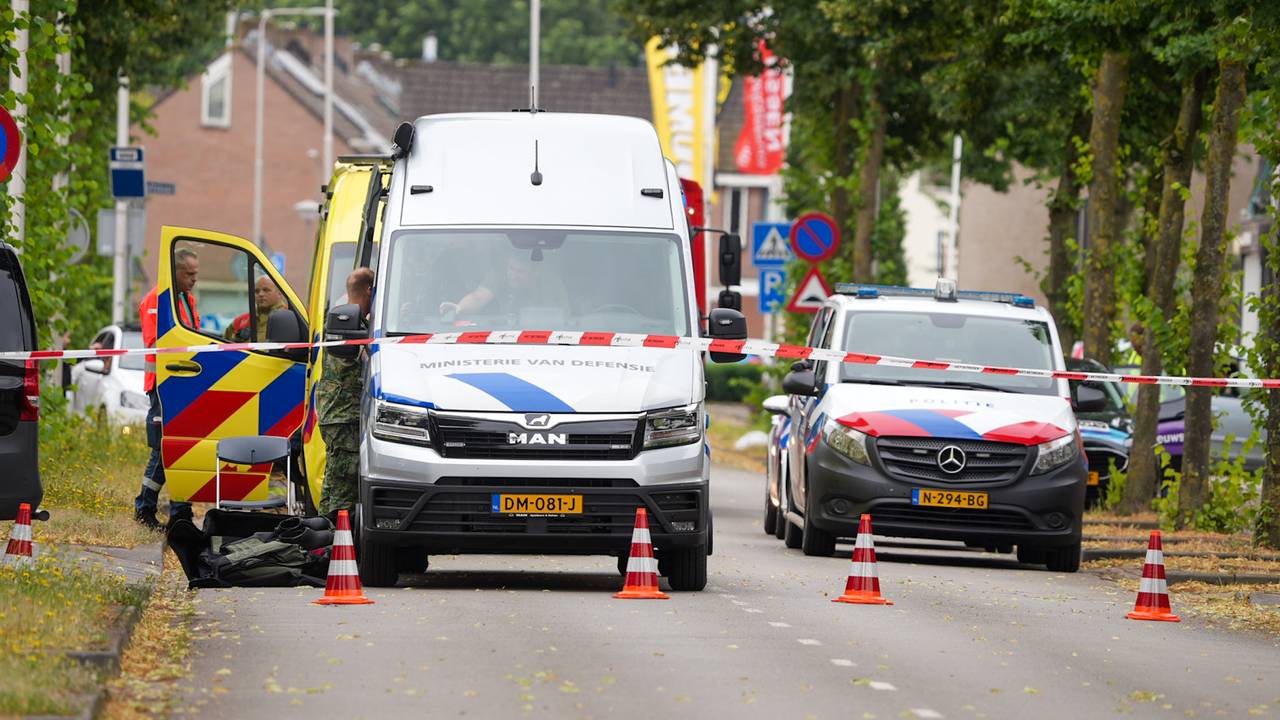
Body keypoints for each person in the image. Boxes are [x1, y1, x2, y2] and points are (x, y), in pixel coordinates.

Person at [134, 247, 200, 529]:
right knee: (163, 449)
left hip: (184, 385)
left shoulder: (187, 299)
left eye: (196, 273)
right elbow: (158, 342)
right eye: (189, 273)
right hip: (163, 386)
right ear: (174, 272)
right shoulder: (155, 300)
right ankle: (145, 508)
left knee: (182, 448)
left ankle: (180, 511)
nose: (194, 279)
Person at [316, 267, 374, 519]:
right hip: (344, 417)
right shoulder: (351, 324)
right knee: (345, 489)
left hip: (336, 415)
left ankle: (321, 532)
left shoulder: (340, 317)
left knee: (333, 481)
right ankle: (338, 538)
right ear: (370, 290)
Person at [438, 249, 566, 318]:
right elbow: (479, 297)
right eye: (511, 268)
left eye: (520, 272)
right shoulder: (500, 274)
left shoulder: (551, 283)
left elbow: (564, 315)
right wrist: (460, 308)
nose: (513, 276)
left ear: (535, 272)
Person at [224, 275, 286, 341]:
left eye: (266, 290)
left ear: (279, 293)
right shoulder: (240, 321)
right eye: (256, 291)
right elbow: (222, 344)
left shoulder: (288, 319)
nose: (260, 294)